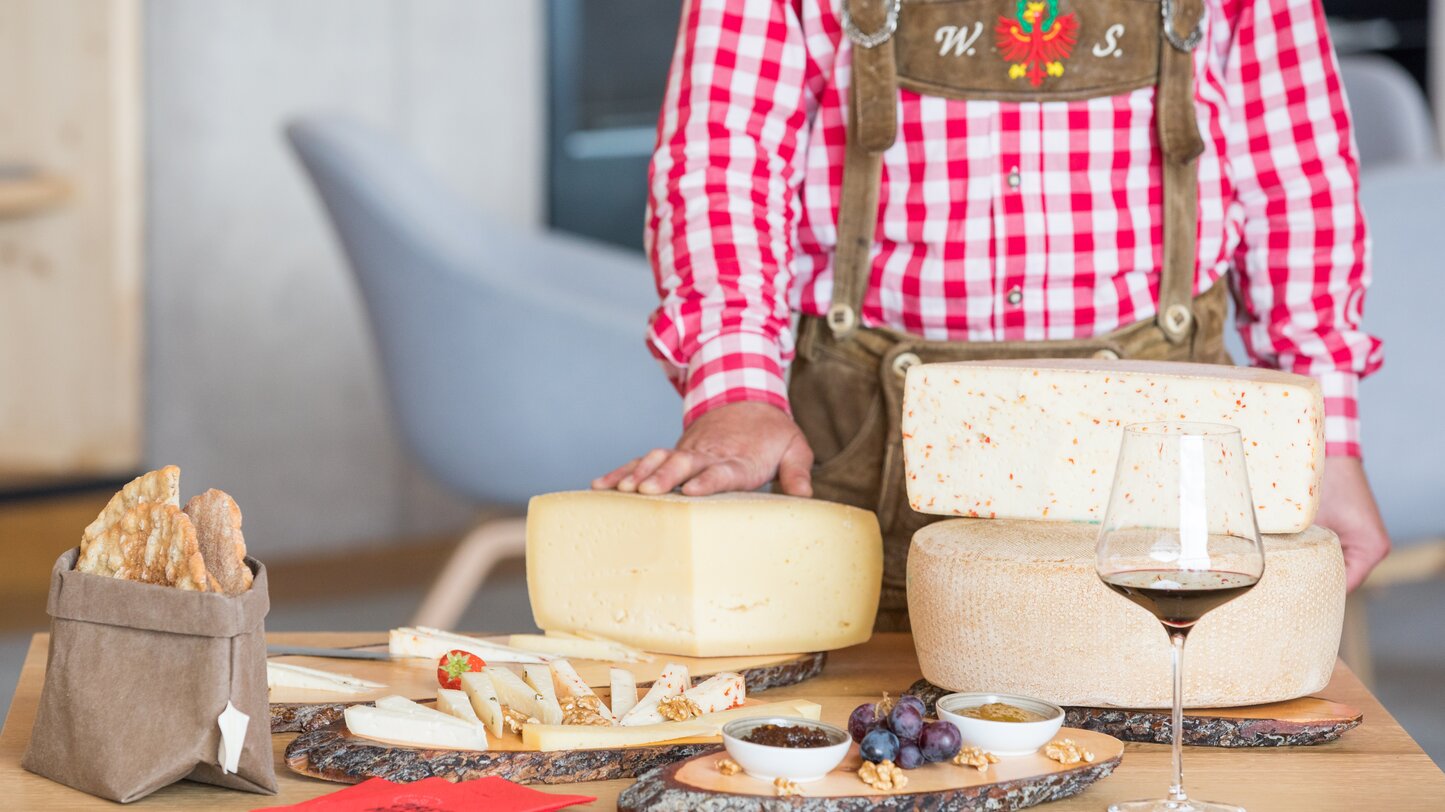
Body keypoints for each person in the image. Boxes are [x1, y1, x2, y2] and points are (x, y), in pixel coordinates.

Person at [594, 0, 1389, 629]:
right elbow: (724, 163)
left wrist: (1330, 444)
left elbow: (1299, 182)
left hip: (1160, 466)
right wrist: (738, 390)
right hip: (867, 463)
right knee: (887, 748)